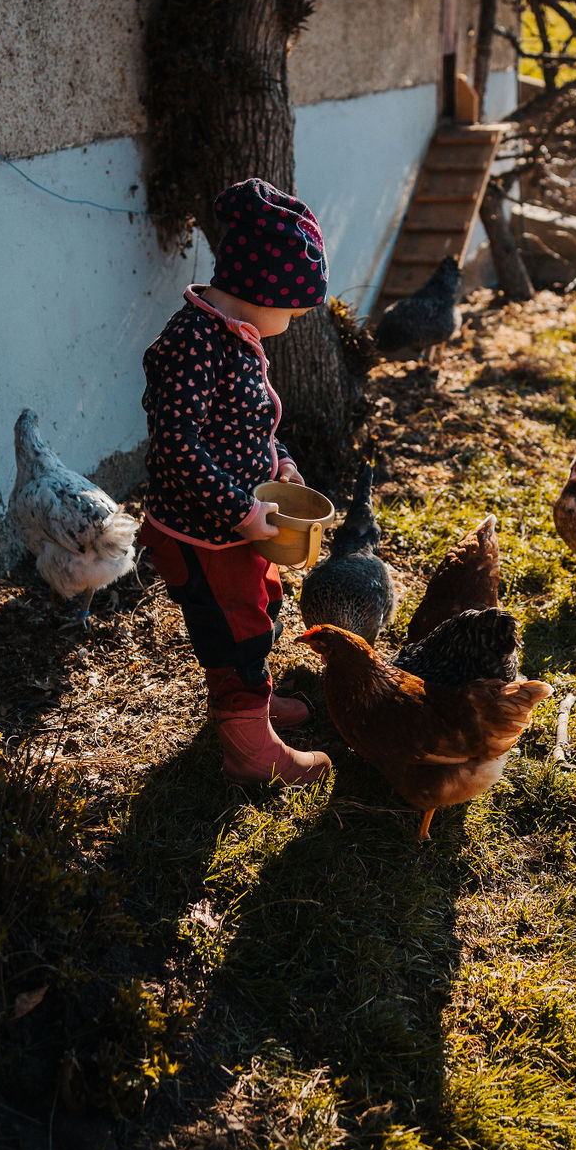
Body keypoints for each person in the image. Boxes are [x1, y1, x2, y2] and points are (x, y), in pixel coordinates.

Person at [139, 178, 332, 787]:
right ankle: (249, 750)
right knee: (233, 632)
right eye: (296, 304)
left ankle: (253, 701)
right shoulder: (190, 342)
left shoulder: (236, 335)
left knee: (261, 608)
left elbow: (247, 424)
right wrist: (239, 511)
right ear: (262, 288)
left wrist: (280, 464)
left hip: (238, 523)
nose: (299, 315)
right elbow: (177, 445)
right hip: (202, 532)